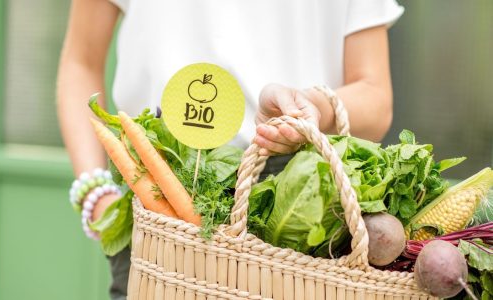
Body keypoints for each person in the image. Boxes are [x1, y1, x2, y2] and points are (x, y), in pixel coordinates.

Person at [57, 0, 404, 299]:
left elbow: (375, 95)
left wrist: (312, 108)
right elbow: (81, 63)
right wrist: (94, 191)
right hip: (158, 190)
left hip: (296, 201)